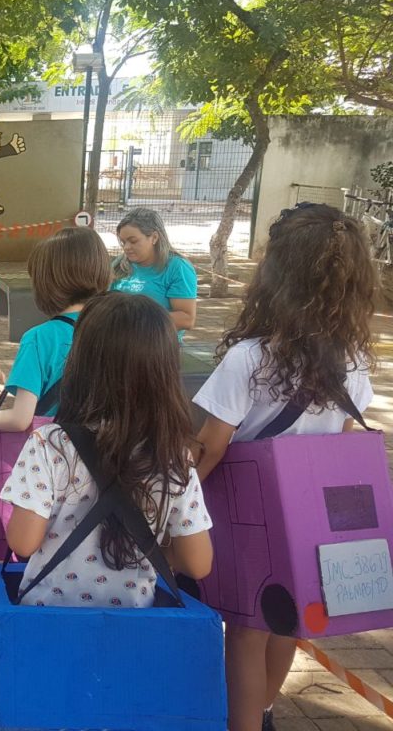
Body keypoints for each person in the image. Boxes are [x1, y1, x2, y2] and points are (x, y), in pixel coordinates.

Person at [192, 203, 376, 731]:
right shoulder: (353, 360)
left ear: (277, 275)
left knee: (244, 631)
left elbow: (211, 447)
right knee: (286, 622)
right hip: (312, 517)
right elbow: (343, 442)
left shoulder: (249, 358)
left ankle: (244, 722)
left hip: (251, 519)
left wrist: (174, 502)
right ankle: (266, 710)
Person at [2, 291, 214, 608]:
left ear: (80, 363)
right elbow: (198, 564)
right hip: (132, 622)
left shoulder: (50, 443)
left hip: (49, 619)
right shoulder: (172, 455)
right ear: (165, 373)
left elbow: (22, 543)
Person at [0, 227, 110, 433]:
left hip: (58, 447)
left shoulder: (39, 338)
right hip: (113, 446)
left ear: (46, 282)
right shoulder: (120, 327)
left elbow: (20, 419)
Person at [110, 208, 197, 337]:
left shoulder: (178, 267)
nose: (126, 247)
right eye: (123, 242)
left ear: (154, 237)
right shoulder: (119, 264)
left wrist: (133, 320)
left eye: (133, 241)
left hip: (156, 344)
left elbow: (187, 319)